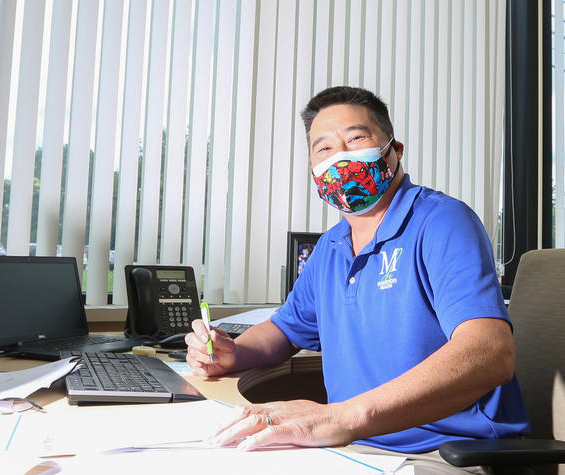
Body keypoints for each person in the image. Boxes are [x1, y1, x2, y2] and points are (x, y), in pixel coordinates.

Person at [185, 86, 529, 474]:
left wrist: (339, 417)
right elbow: (284, 330)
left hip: (449, 452)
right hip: (356, 447)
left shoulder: (442, 222)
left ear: (394, 151)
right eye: (323, 149)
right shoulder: (330, 248)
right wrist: (234, 353)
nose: (340, 156)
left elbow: (491, 353)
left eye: (356, 138)